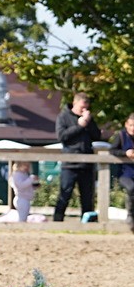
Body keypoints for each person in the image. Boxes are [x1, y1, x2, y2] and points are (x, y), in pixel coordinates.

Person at [53, 92, 103, 222]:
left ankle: (87, 223)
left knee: (88, 197)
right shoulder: (63, 117)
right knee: (65, 195)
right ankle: (57, 221)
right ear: (75, 103)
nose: (84, 110)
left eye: (86, 107)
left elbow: (97, 136)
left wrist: (88, 122)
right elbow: (62, 137)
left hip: (87, 163)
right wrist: (80, 126)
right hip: (70, 163)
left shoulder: (88, 118)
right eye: (82, 107)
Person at [112, 112, 134, 232]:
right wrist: (125, 153)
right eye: (131, 125)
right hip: (125, 173)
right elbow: (112, 150)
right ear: (126, 125)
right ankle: (130, 215)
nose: (133, 128)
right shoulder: (121, 136)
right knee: (131, 188)